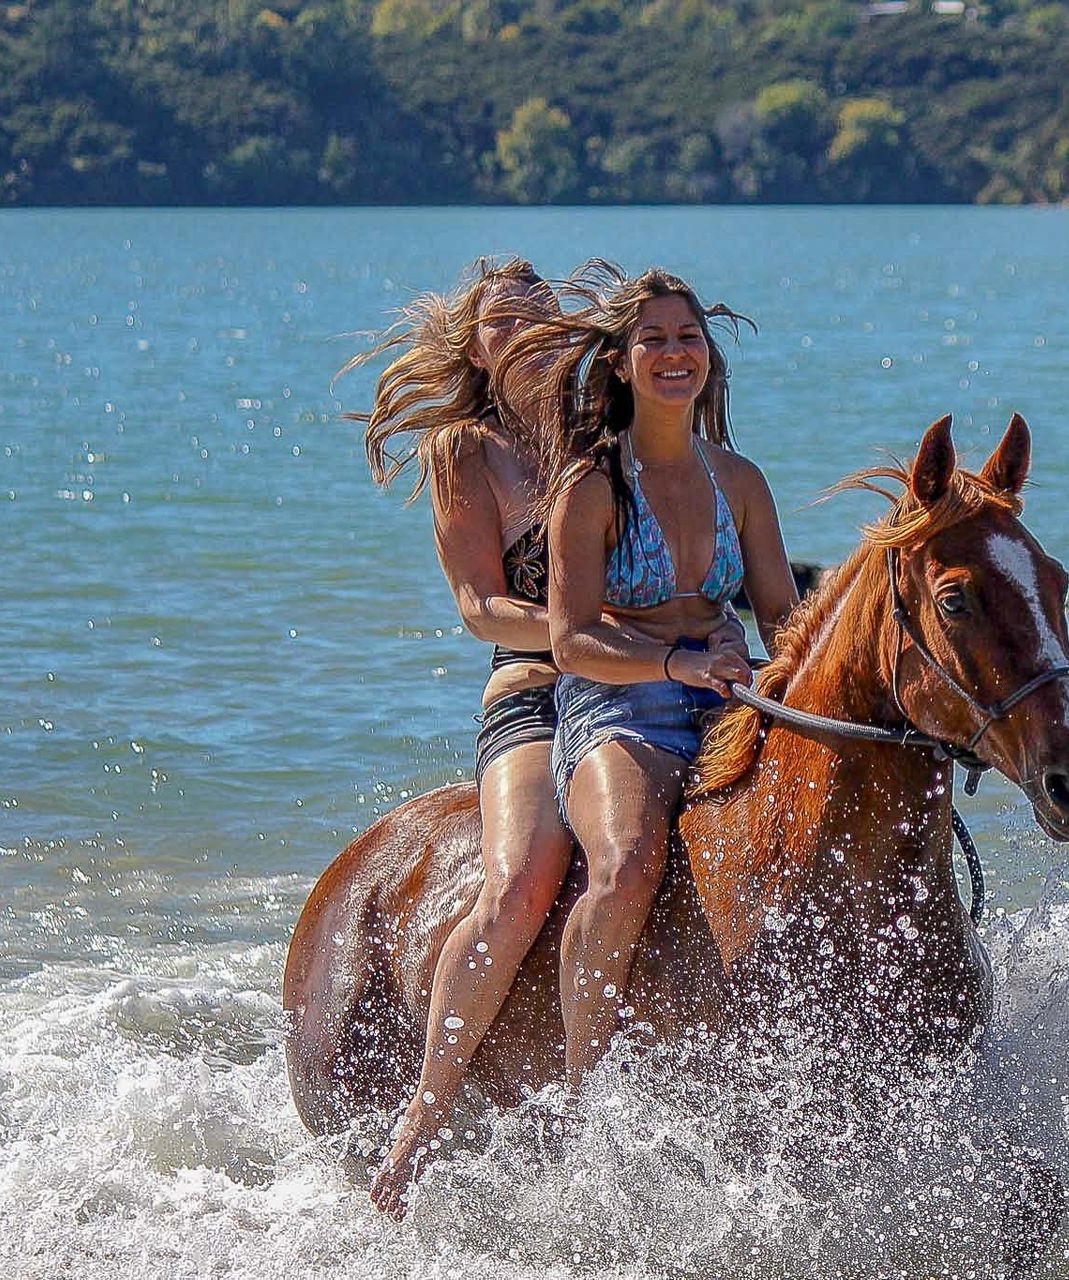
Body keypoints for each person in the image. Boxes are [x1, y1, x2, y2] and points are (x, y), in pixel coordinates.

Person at [498, 261, 799, 1084]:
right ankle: (585, 1091)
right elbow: (572, 643)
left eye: (689, 338)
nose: (675, 353)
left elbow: (781, 616)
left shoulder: (739, 481)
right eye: (654, 338)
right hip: (618, 710)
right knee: (628, 862)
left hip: (728, 701)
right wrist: (678, 661)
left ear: (709, 359)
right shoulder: (590, 489)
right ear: (623, 362)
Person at [345, 257, 576, 1216]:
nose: (520, 334)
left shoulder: (603, 433)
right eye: (499, 324)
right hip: (535, 692)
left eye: (538, 317)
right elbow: (483, 609)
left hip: (654, 684)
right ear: (475, 350)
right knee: (522, 881)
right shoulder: (464, 455)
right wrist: (589, 638)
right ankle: (423, 1120)